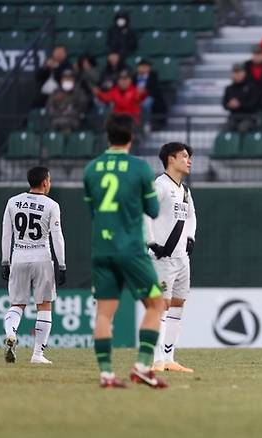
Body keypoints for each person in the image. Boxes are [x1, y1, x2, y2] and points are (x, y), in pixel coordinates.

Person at [83, 114, 166, 389]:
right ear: (132, 137)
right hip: (131, 250)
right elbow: (153, 211)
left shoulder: (91, 169)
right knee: (157, 304)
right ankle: (142, 366)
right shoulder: (140, 168)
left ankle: (106, 374)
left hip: (101, 249)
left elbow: (93, 211)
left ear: (108, 137)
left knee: (105, 313)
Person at [1, 167, 66, 365]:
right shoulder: (51, 205)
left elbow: (6, 234)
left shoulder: (13, 202)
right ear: (45, 182)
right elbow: (57, 237)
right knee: (44, 305)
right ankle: (37, 355)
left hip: (18, 256)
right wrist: (62, 265)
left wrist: (5, 261)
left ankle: (11, 333)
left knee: (17, 304)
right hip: (42, 258)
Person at [145, 143, 197, 373]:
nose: (189, 160)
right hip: (162, 258)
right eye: (185, 156)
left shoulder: (184, 190)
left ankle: (169, 358)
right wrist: (151, 242)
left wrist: (191, 238)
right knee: (160, 306)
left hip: (181, 258)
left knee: (178, 305)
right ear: (171, 159)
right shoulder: (160, 185)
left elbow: (192, 217)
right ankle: (157, 360)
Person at [223, 64, 260, 132]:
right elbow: (225, 105)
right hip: (234, 117)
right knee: (226, 127)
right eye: (235, 72)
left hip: (248, 117)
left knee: (243, 128)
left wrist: (239, 105)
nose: (237, 75)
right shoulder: (229, 88)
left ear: (244, 73)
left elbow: (253, 104)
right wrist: (230, 105)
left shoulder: (251, 87)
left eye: (239, 72)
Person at [133, 59, 167, 131]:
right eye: (141, 66)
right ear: (137, 68)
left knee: (146, 103)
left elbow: (155, 89)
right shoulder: (133, 77)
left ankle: (146, 123)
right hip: (135, 97)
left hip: (148, 96)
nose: (143, 68)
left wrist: (145, 92)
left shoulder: (153, 76)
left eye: (146, 67)